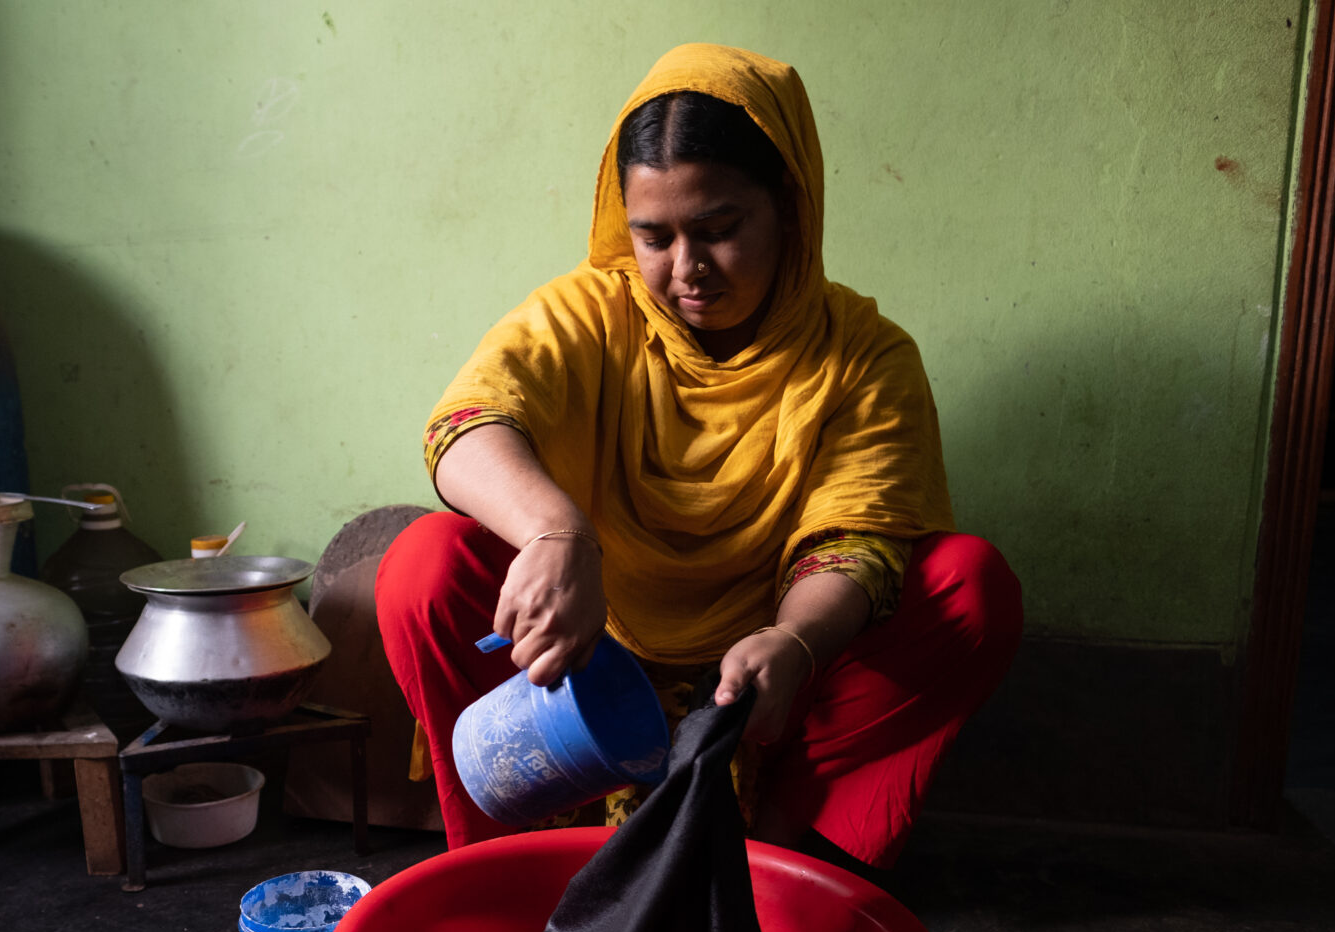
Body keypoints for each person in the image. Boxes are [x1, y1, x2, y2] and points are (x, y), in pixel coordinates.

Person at [376, 43, 1021, 871]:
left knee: (969, 586)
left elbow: (855, 542)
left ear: (788, 208)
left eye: (719, 231)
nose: (686, 271)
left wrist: (793, 643)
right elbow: (466, 422)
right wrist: (556, 536)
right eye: (654, 237)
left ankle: (784, 853)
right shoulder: (589, 313)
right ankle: (509, 863)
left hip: (772, 677)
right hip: (581, 659)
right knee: (423, 566)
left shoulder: (862, 355)